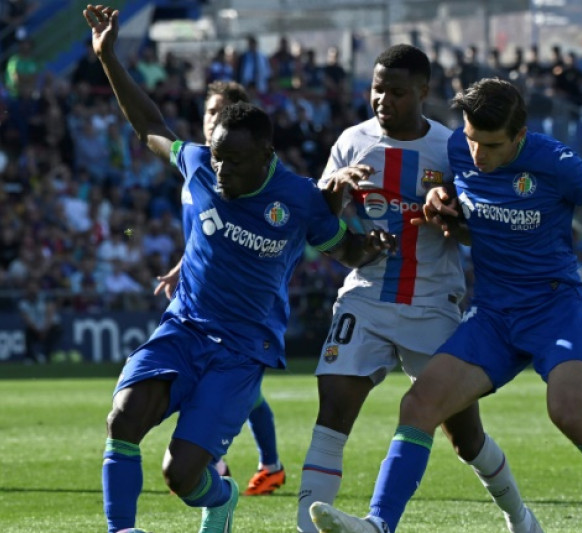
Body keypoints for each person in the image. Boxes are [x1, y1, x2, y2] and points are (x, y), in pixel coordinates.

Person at [309, 78, 582, 533]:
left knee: (570, 413)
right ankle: (380, 525)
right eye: (471, 138)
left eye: (491, 144)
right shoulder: (460, 152)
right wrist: (439, 198)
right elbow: (449, 198)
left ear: (518, 137)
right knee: (419, 405)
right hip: (495, 312)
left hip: (555, 306)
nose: (477, 153)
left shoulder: (557, 163)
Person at [83, 7, 397, 533]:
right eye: (218, 157)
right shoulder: (200, 164)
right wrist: (108, 56)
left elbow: (345, 250)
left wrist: (375, 244)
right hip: (183, 328)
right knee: (122, 420)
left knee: (181, 475)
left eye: (233, 160)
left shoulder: (299, 199)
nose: (221, 170)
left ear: (267, 155)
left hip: (242, 349)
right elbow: (150, 127)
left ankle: (221, 498)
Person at [296, 45, 541, 533]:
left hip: (432, 302)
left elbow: (481, 230)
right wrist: (335, 191)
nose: (383, 99)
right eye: (377, 88)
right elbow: (319, 223)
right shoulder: (351, 142)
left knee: (466, 437)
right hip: (366, 295)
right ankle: (307, 528)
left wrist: (453, 218)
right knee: (333, 412)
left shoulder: (452, 148)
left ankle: (520, 517)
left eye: (397, 91)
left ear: (424, 92)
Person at [154, 79, 288, 497]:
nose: (212, 120)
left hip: (243, 311)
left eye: (220, 113)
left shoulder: (244, 177)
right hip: (201, 299)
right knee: (231, 392)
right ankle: (246, 462)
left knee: (242, 394)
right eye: (209, 112)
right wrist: (181, 265)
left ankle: (261, 463)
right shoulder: (198, 167)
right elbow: (206, 235)